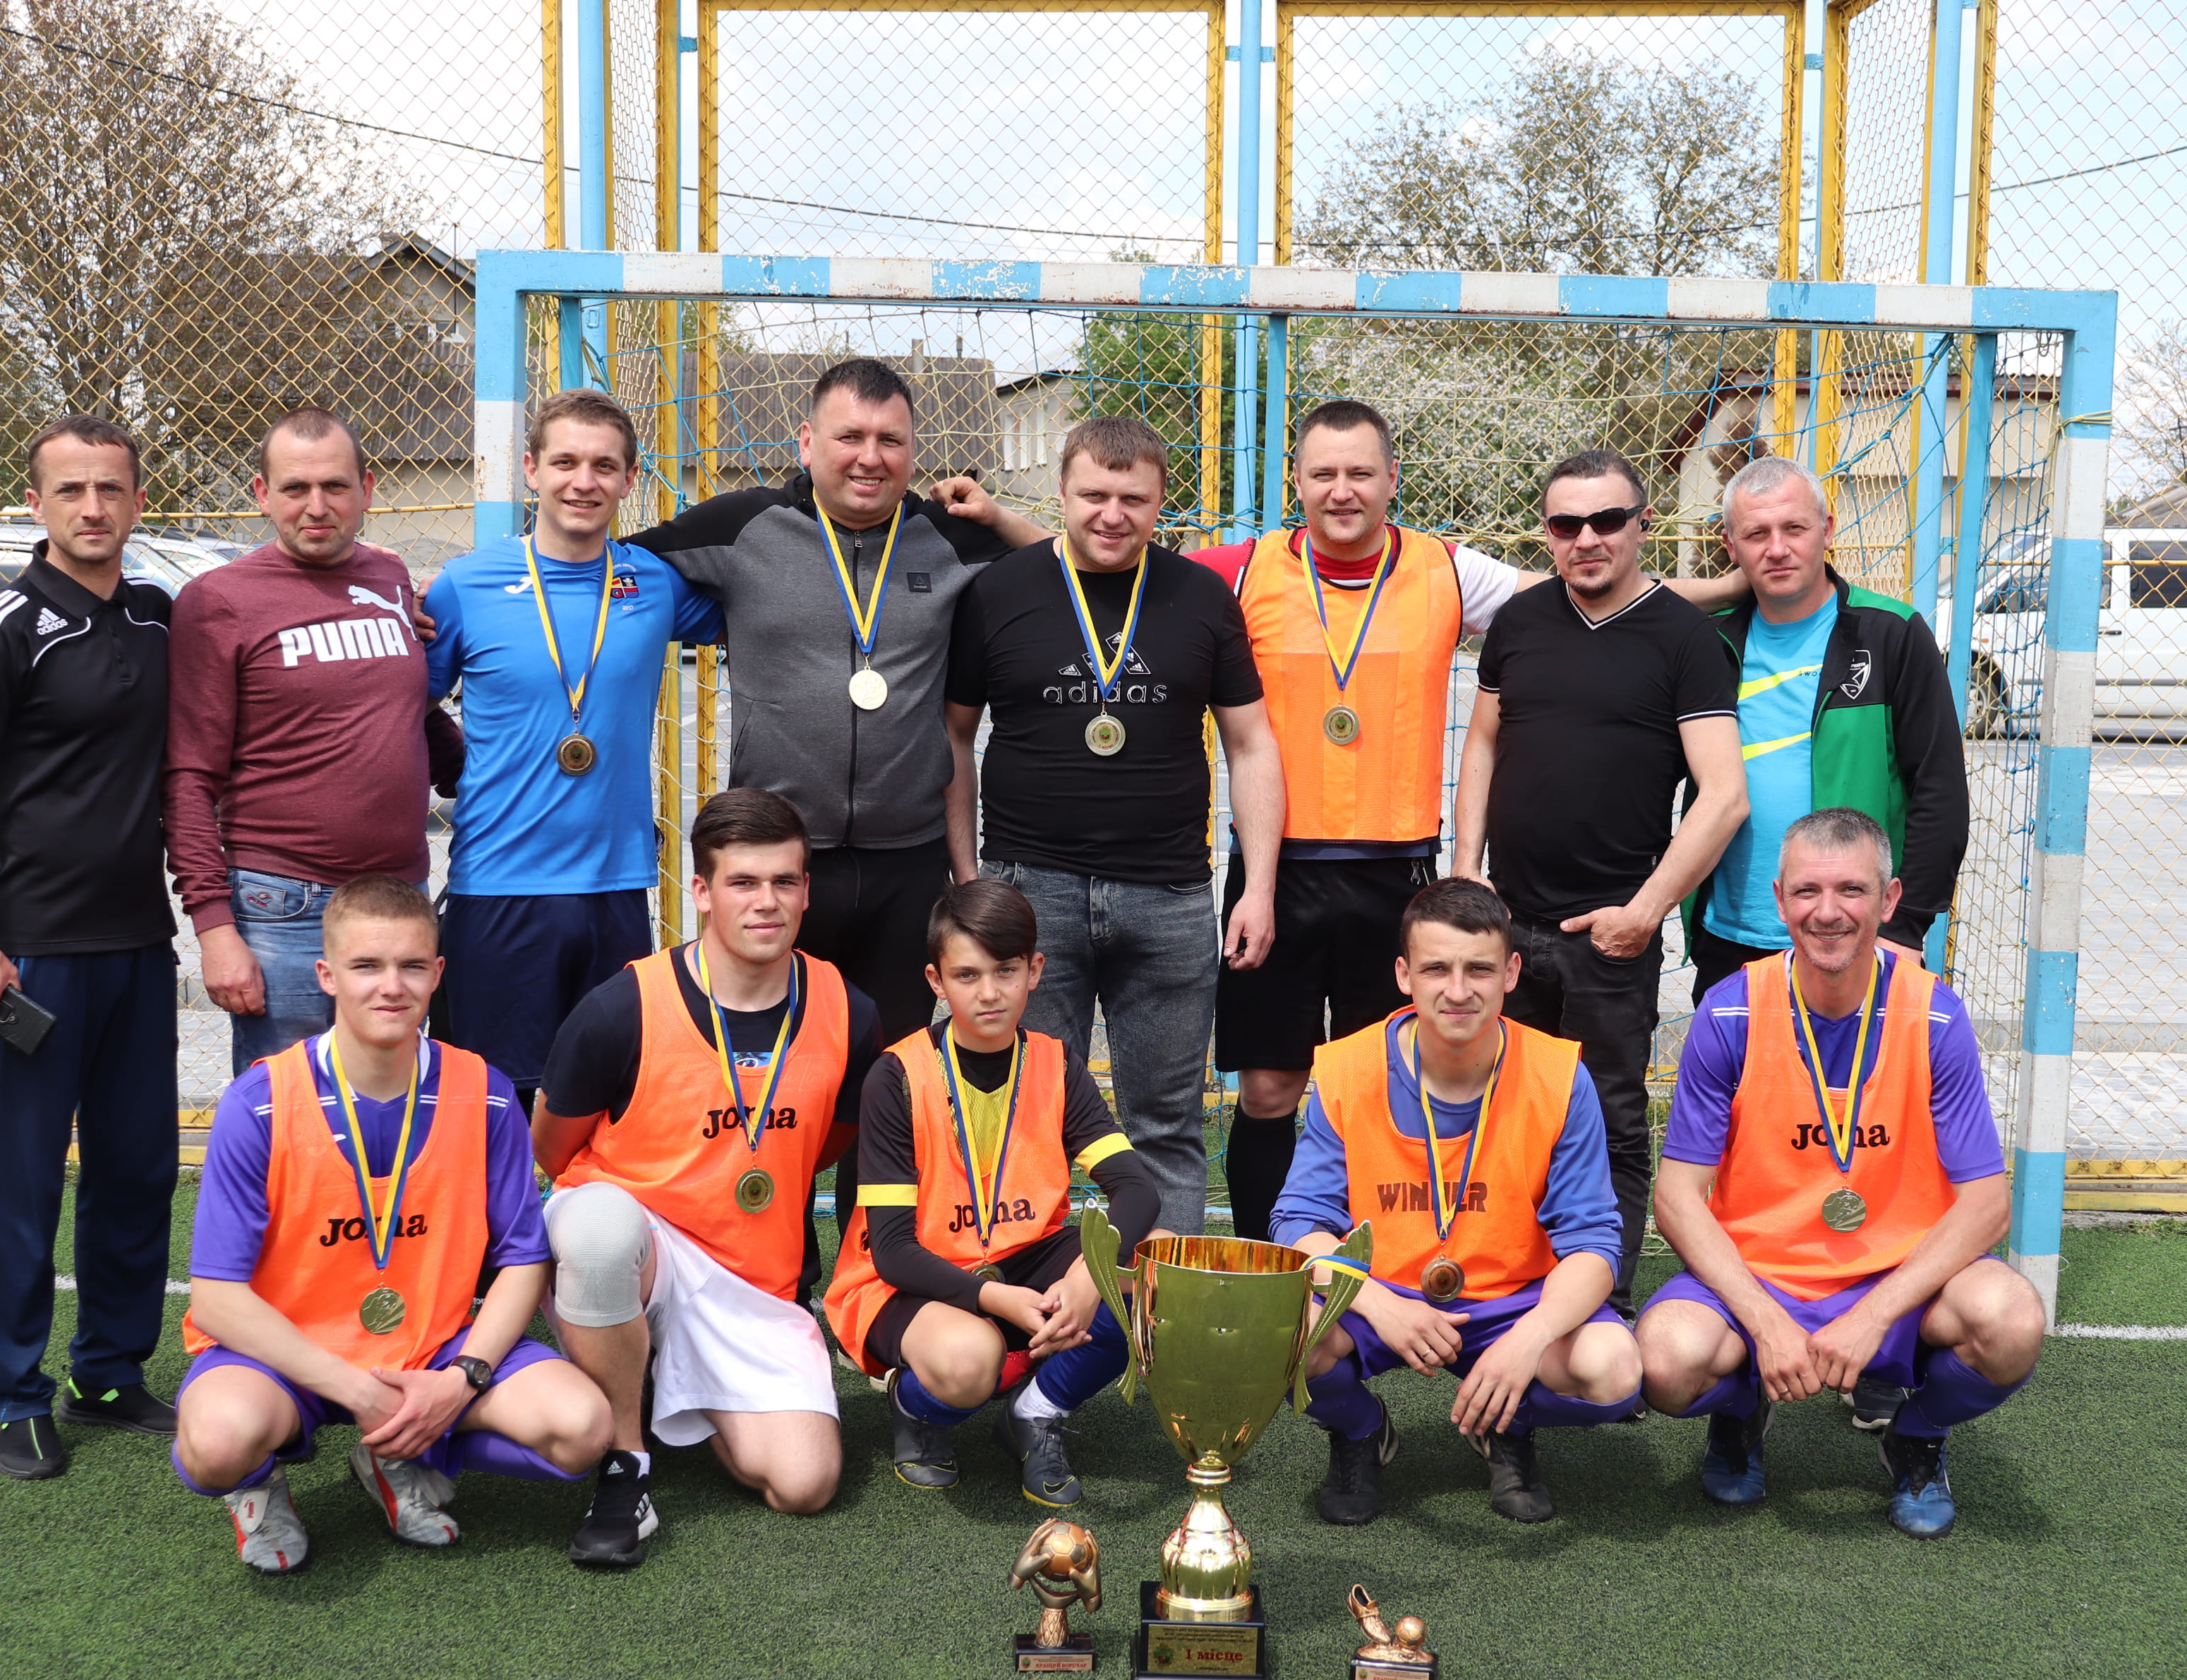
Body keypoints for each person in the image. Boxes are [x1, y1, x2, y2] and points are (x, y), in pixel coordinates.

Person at [621, 358, 1050, 1294]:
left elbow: (1068, 565)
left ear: (914, 451)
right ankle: (765, 1276)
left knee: (885, 1082)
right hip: (784, 871)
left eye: (890, 440)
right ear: (807, 443)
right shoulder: (743, 527)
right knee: (764, 1083)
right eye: (849, 437)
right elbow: (608, 561)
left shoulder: (947, 536)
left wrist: (996, 513)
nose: (869, 457)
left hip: (905, 864)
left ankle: (874, 1281)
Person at [169, 876, 613, 1573]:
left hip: (432, 1349)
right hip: (289, 1357)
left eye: (411, 966)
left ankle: (399, 1453)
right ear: (327, 976)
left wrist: (461, 1380)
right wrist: (358, 1392)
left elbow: (523, 1260)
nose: (391, 986)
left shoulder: (486, 1093)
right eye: (366, 966)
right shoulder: (260, 1102)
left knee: (582, 1429)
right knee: (218, 1441)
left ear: (438, 974)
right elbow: (218, 1298)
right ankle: (259, 1485)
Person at [1186, 399, 1548, 1243]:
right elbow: (1112, 553)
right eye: (1323, 474)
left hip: (1397, 875)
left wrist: (1728, 587)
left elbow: (1583, 587)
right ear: (1296, 482)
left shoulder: (1446, 569)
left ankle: (1372, 1267)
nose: (1341, 490)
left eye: (1360, 473)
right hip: (1274, 874)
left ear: (1392, 479)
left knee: (1382, 1086)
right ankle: (1271, 1270)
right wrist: (996, 522)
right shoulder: (1243, 568)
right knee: (1270, 1090)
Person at [1641, 809, 2042, 1538]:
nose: (1828, 912)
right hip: (1763, 1274)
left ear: (1889, 900)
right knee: (1665, 1361)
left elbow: (1987, 1203)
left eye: (1851, 890)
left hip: (1897, 1275)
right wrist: (1764, 1320)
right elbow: (1676, 1196)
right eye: (1808, 891)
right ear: (1780, 898)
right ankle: (1741, 1413)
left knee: (2012, 1320)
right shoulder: (1730, 1013)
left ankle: (1916, 1433)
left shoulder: (1936, 1017)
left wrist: (1874, 1316)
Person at [944, 414, 1286, 1233]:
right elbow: (953, 735)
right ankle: (1032, 1296)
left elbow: (1251, 743)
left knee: (1165, 1124)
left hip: (1169, 896)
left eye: (1133, 499)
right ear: (1061, 493)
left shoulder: (1200, 596)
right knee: (1028, 1115)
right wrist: (967, 880)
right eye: (1094, 494)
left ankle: (1160, 1300)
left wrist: (1259, 887)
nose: (1111, 514)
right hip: (1029, 892)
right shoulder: (999, 590)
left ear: (1162, 503)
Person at [0, 412, 181, 1480]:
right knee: (26, 1183)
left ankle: (110, 1372)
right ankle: (19, 1395)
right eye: (70, 489)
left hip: (141, 947)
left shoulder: (161, 617)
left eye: (111, 488)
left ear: (137, 501)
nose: (92, 507)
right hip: (35, 956)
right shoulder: (7, 624)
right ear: (35, 504)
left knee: (138, 1172)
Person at [534, 788, 880, 1567]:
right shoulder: (623, 1006)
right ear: (701, 891)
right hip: (639, 1246)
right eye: (742, 882)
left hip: (751, 1283)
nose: (767, 901)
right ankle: (625, 1464)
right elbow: (553, 1152)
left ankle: (660, 1375)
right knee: (596, 1228)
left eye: (784, 881)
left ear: (807, 890)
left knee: (806, 1481)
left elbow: (830, 1144)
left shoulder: (847, 1011)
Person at [1452, 449, 1746, 1305]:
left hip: (1609, 938)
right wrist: (1468, 871)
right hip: (1510, 928)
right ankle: (1512, 1288)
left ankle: (1601, 1306)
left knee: (1611, 1119)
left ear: (1642, 525)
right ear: (1547, 532)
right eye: (1566, 523)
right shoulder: (1518, 622)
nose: (1587, 539)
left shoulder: (1685, 638)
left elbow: (1724, 796)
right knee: (1505, 1114)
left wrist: (1645, 912)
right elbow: (1482, 744)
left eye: (1607, 520)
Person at [1272, 878, 1641, 1527]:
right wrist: (1377, 1303)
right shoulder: (1350, 1070)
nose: (1459, 990)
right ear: (1404, 976)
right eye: (1437, 969)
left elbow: (1594, 1243)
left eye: (1480, 969)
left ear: (1512, 973)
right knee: (1280, 1334)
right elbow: (1298, 1223)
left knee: (1614, 1370)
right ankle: (1361, 1429)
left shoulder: (1558, 1075)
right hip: (1382, 1292)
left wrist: (1529, 1339)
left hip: (1512, 1299)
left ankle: (1507, 1420)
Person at [422, 389, 723, 1102]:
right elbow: (407, 705)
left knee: (608, 1104)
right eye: (564, 462)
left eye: (603, 466)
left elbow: (768, 597)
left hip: (615, 889)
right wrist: (455, 767)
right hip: (498, 888)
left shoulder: (655, 583)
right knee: (494, 1106)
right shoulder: (464, 586)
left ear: (630, 478)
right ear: (531, 469)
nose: (583, 482)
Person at [823, 878, 1161, 1504]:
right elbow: (892, 1250)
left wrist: (1089, 1275)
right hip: (910, 1276)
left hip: (1023, 1256)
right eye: (967, 975)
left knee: (1160, 1267)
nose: (989, 993)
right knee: (970, 1360)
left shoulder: (1058, 1064)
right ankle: (916, 1406)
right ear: (936, 981)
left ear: (1035, 971)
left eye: (1006, 971)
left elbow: (1138, 1190)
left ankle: (1035, 1412)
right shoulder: (895, 1076)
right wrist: (998, 1300)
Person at [167, 406, 459, 1075]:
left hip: (399, 898)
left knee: (391, 1098)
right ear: (262, 494)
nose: (317, 506)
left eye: (335, 486)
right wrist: (215, 930)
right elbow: (188, 777)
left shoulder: (388, 579)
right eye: (295, 488)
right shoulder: (218, 600)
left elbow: (406, 710)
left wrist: (483, 773)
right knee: (293, 1109)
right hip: (284, 908)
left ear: (368, 489)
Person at [1689, 455, 1969, 998]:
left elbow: (1939, 790)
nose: (1777, 549)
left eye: (1794, 528)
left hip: (1856, 937)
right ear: (1730, 546)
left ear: (1827, 530)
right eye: (1756, 534)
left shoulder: (1891, 634)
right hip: (1730, 939)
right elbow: (1629, 598)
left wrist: (1906, 925)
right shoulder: (1706, 643)